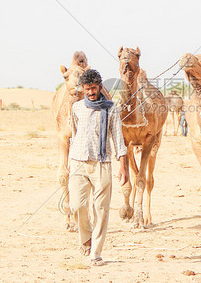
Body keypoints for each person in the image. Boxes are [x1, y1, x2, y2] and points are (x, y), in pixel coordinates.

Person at [68, 69, 128, 267]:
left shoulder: (111, 109)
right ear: (83, 89)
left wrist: (123, 167)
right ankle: (86, 237)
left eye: (94, 88)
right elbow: (74, 134)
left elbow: (118, 138)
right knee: (77, 205)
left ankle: (96, 253)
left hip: (102, 164)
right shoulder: (76, 108)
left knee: (101, 210)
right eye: (87, 89)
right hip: (78, 162)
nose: (91, 92)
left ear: (100, 87)